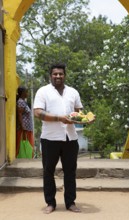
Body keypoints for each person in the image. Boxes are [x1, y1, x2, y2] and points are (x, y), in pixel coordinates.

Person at [33, 63, 83, 214]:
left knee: (70, 172)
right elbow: (37, 112)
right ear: (50, 76)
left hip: (70, 138)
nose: (58, 76)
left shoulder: (73, 92)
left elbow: (78, 110)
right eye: (55, 74)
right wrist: (60, 118)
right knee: (48, 171)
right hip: (50, 139)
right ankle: (50, 203)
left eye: (61, 74)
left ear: (64, 75)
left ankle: (70, 203)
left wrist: (84, 117)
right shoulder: (43, 92)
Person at [16, 86, 34, 157]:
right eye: (26, 92)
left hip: (27, 127)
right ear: (22, 93)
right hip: (24, 128)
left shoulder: (23, 101)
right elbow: (19, 114)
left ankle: (27, 156)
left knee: (28, 144)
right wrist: (22, 126)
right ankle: (22, 156)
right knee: (23, 144)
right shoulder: (20, 102)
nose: (27, 93)